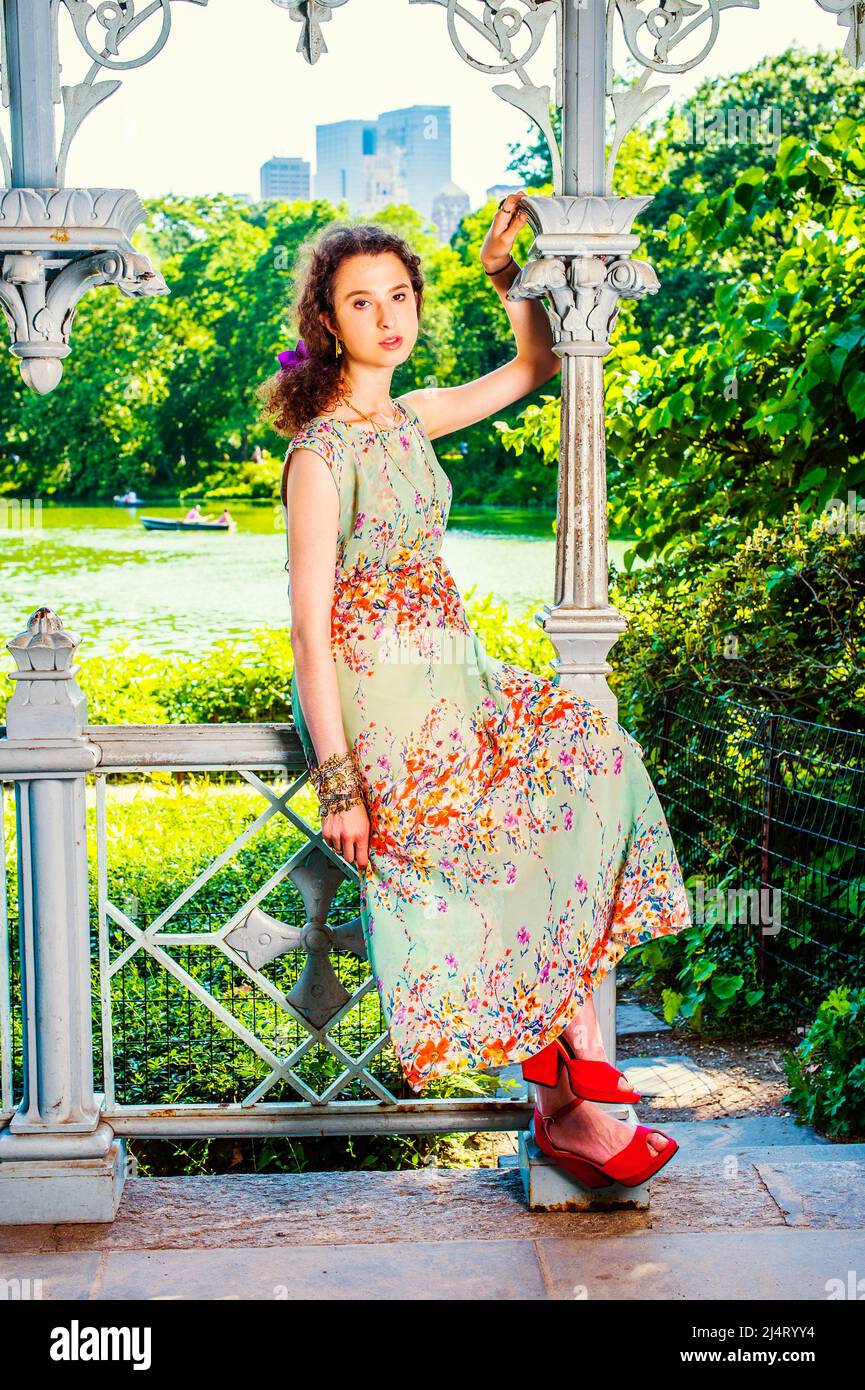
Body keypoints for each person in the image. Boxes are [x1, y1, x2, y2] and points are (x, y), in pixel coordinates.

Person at [258, 201, 693, 1190]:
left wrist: (507, 280)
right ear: (327, 322)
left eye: (400, 296)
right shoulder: (320, 455)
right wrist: (337, 782)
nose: (388, 316)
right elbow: (307, 629)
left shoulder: (411, 417)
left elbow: (533, 368)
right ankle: (566, 1097)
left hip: (456, 674)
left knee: (593, 757)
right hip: (388, 700)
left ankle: (567, 1083)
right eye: (361, 301)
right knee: (481, 866)